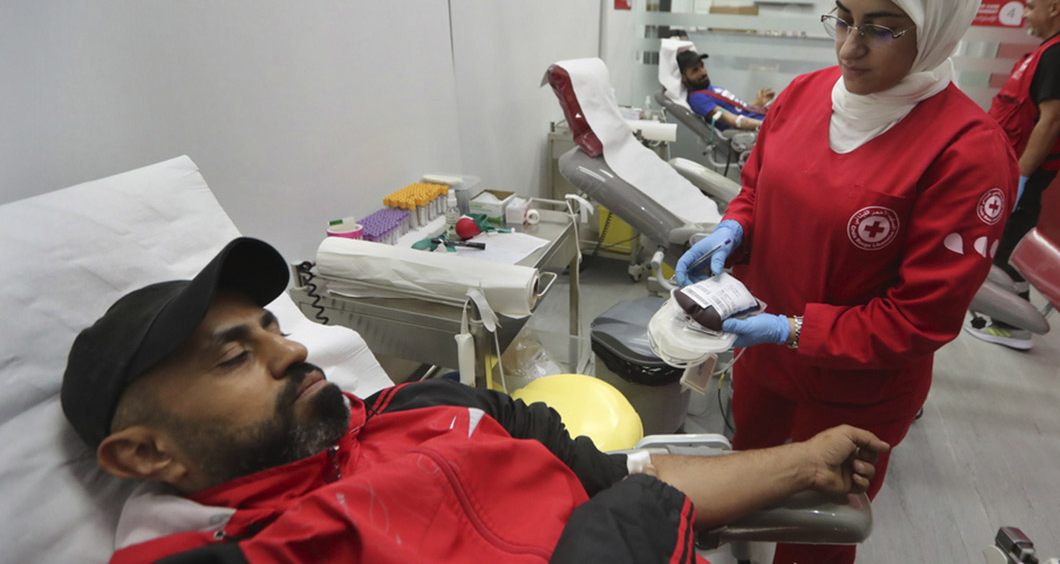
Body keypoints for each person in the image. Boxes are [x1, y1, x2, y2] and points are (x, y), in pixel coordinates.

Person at [61, 237, 889, 564]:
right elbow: (636, 505)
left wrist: (799, 463)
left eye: (272, 328)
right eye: (235, 355)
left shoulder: (424, 402)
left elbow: (628, 473)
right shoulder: (251, 552)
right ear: (144, 455)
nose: (295, 351)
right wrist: (613, 538)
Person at [673, 0, 1016, 564]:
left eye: (883, 29)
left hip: (858, 391)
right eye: (844, 18)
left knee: (814, 536)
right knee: (740, 492)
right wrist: (732, 228)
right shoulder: (805, 95)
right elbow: (755, 187)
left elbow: (921, 317)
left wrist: (795, 327)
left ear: (938, 24)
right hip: (768, 364)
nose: (850, 47)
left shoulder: (967, 152)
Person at [968, 0, 1060, 350]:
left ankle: (1013, 326)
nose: (1025, 13)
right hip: (1015, 167)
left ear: (1055, 8)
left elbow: (1052, 119)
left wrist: (1020, 178)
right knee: (1006, 243)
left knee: (1008, 245)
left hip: (1023, 171)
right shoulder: (1056, 48)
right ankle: (1011, 319)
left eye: (1030, 6)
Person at [679, 49, 775, 131]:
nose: (703, 72)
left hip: (765, 118)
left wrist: (758, 102)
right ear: (684, 78)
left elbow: (737, 110)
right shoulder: (698, 98)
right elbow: (735, 121)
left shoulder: (709, 89)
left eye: (702, 66)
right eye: (695, 70)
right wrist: (770, 124)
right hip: (765, 125)